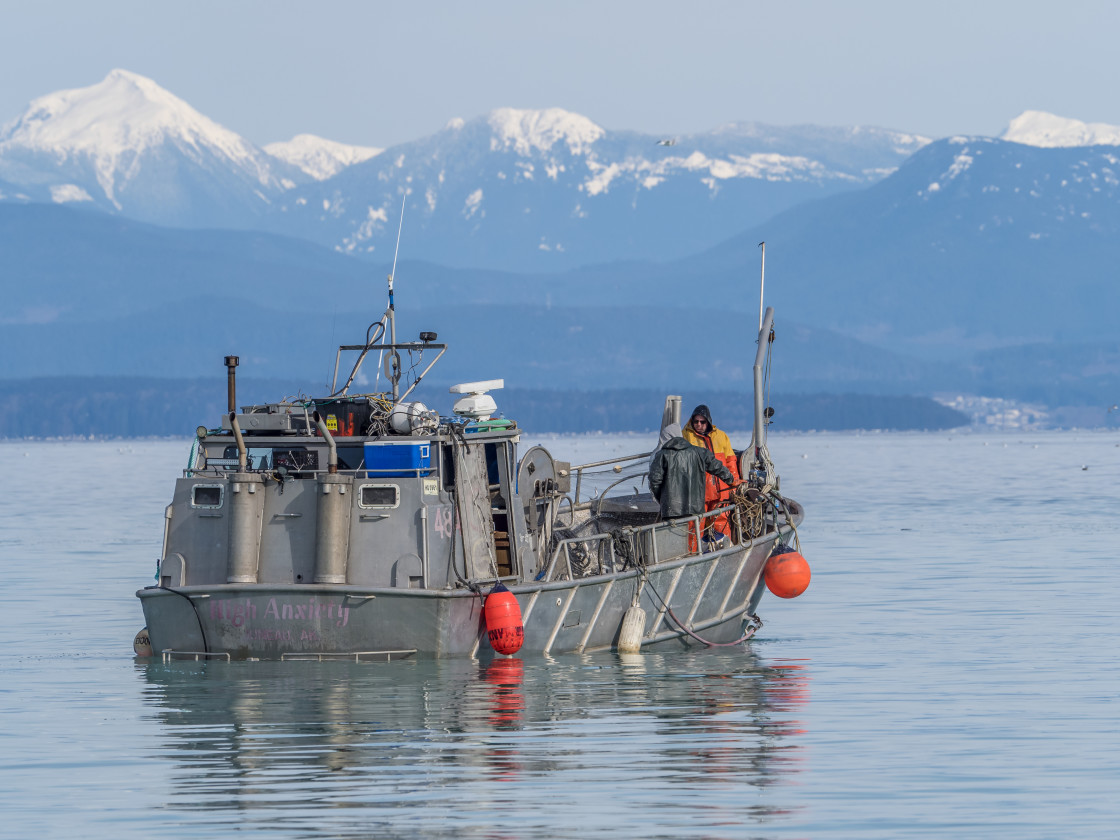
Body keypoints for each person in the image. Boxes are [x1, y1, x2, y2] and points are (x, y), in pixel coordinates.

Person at [648, 423, 740, 521]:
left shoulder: (661, 455)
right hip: (696, 508)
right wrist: (731, 480)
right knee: (694, 533)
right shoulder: (699, 452)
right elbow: (717, 467)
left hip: (671, 511)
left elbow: (654, 480)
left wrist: (662, 499)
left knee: (676, 535)